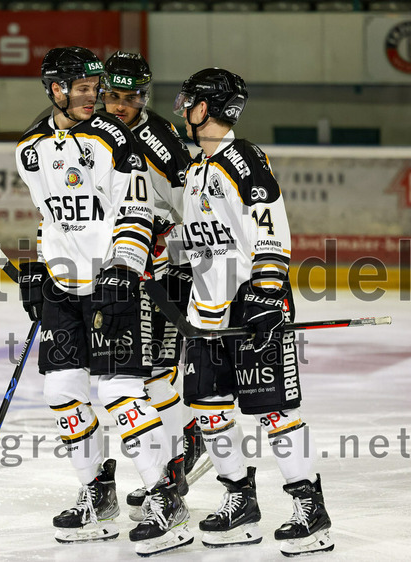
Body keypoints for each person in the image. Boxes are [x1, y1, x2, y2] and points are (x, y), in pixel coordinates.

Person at [14, 46, 193, 556]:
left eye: (97, 88)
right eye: (84, 89)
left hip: (113, 282)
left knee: (119, 391)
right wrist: (40, 269)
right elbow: (52, 217)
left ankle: (165, 498)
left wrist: (125, 268)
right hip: (63, 287)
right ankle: (97, 493)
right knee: (61, 390)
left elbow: (135, 210)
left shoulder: (115, 139)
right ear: (56, 90)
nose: (94, 97)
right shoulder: (29, 148)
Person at [173, 67, 334, 557]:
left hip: (252, 303)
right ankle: (240, 502)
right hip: (208, 310)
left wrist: (266, 293)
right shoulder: (196, 169)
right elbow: (202, 242)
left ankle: (310, 510)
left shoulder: (242, 158)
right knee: (208, 409)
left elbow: (270, 227)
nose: (184, 109)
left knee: (274, 410)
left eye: (190, 101)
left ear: (206, 108)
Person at [101, 50, 211, 520]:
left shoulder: (162, 140)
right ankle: (180, 452)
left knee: (153, 375)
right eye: (113, 96)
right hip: (119, 272)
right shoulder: (94, 132)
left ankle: (180, 455)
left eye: (131, 98)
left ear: (144, 97)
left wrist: (182, 253)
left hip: (165, 271)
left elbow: (194, 208)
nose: (121, 105)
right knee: (141, 376)